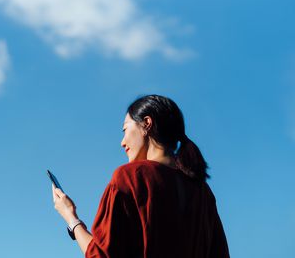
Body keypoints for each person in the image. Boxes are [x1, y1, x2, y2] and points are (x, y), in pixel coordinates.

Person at [52, 94, 230, 257]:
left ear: (146, 123)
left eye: (125, 130)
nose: (122, 142)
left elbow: (102, 255)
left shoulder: (130, 177)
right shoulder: (202, 190)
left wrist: (71, 218)